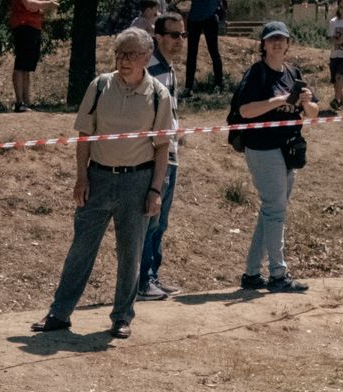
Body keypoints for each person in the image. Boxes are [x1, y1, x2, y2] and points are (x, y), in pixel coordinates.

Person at [31, 30, 173, 339]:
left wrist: (155, 190)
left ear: (146, 58)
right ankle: (59, 313)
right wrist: (81, 177)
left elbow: (163, 148)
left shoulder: (160, 95)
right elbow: (85, 138)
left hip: (138, 181)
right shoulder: (99, 86)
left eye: (131, 54)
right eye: (120, 54)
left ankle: (122, 316)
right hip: (97, 179)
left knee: (130, 254)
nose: (124, 60)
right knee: (80, 249)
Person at [229, 22, 316, 293]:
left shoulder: (294, 73)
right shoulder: (257, 74)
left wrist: (307, 101)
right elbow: (245, 111)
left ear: (288, 43)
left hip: (288, 148)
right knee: (275, 210)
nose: (277, 43)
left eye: (282, 39)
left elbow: (313, 113)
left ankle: (253, 273)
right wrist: (279, 100)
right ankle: (278, 275)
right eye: (272, 39)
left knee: (271, 210)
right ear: (264, 44)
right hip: (262, 147)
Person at [140, 16, 185, 300]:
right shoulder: (152, 70)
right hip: (157, 155)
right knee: (151, 220)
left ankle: (152, 275)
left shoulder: (168, 69)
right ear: (159, 37)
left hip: (171, 152)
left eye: (182, 34)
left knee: (161, 221)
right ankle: (142, 281)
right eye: (174, 35)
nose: (179, 40)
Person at [9, 0, 55, 112]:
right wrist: (49, 4)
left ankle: (26, 102)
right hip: (24, 25)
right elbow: (29, 5)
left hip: (33, 26)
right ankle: (19, 103)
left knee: (26, 67)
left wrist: (41, 6)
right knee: (20, 65)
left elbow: (35, 7)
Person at [185, 0, 227, 90]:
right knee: (193, 53)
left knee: (212, 51)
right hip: (196, 17)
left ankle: (218, 84)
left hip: (207, 16)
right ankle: (188, 86)